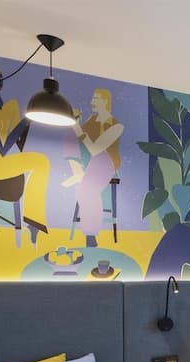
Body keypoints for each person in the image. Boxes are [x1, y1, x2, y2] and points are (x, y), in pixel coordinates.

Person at [0, 68, 50, 235]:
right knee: (40, 161)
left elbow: (17, 143)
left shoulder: (11, 105)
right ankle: (33, 221)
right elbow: (1, 146)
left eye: (1, 78)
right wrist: (24, 122)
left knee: (42, 161)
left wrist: (27, 124)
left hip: (7, 161)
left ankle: (33, 221)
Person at [66, 88, 124, 247]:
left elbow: (95, 149)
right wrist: (74, 123)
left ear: (105, 101)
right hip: (91, 162)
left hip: (107, 162)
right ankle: (76, 167)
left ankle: (91, 235)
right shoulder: (91, 120)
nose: (92, 102)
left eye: (96, 99)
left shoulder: (116, 126)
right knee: (85, 190)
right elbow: (79, 140)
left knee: (87, 190)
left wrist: (77, 128)